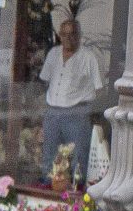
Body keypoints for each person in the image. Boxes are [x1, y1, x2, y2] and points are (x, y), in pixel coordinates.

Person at [39, 16, 106, 183]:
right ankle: (48, 187)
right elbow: (44, 81)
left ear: (79, 36)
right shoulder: (53, 54)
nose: (68, 38)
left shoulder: (89, 57)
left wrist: (93, 113)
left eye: (72, 34)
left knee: (78, 156)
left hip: (77, 112)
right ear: (60, 36)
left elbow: (100, 90)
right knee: (50, 153)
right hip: (53, 111)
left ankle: (75, 190)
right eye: (64, 34)